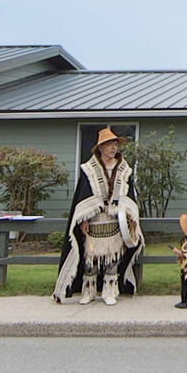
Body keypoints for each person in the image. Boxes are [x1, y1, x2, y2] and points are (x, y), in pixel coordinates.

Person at [53, 127, 144, 304]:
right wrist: (84, 218)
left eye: (115, 144)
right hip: (95, 221)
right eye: (109, 144)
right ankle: (89, 291)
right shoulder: (89, 170)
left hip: (115, 220)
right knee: (90, 258)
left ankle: (110, 291)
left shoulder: (124, 170)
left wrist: (128, 215)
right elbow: (84, 196)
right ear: (100, 147)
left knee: (112, 257)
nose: (113, 148)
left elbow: (129, 196)